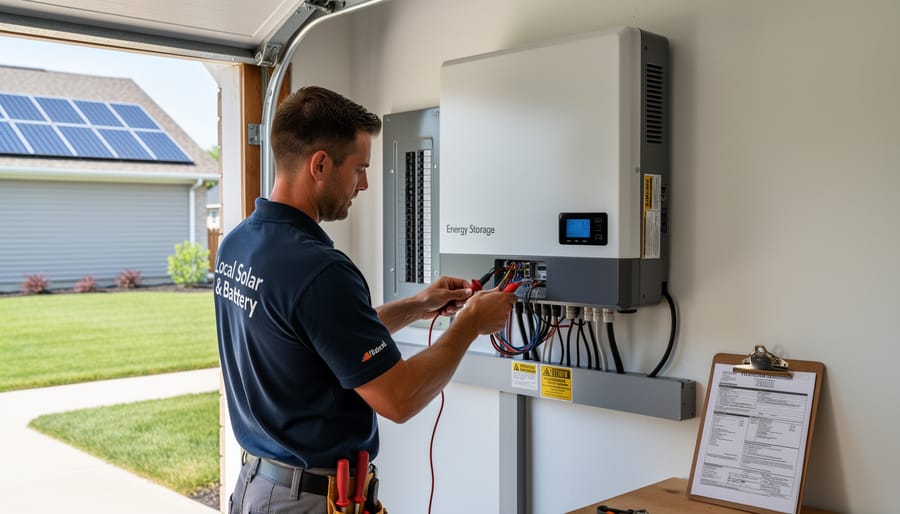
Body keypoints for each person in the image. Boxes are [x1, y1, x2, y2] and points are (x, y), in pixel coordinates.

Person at [214, 85, 516, 514]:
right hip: (305, 502)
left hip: (258, 487)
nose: (365, 183)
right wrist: (470, 324)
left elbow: (319, 336)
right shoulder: (319, 271)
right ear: (320, 164)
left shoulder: (239, 245)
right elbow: (400, 398)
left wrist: (418, 304)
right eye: (359, 169)